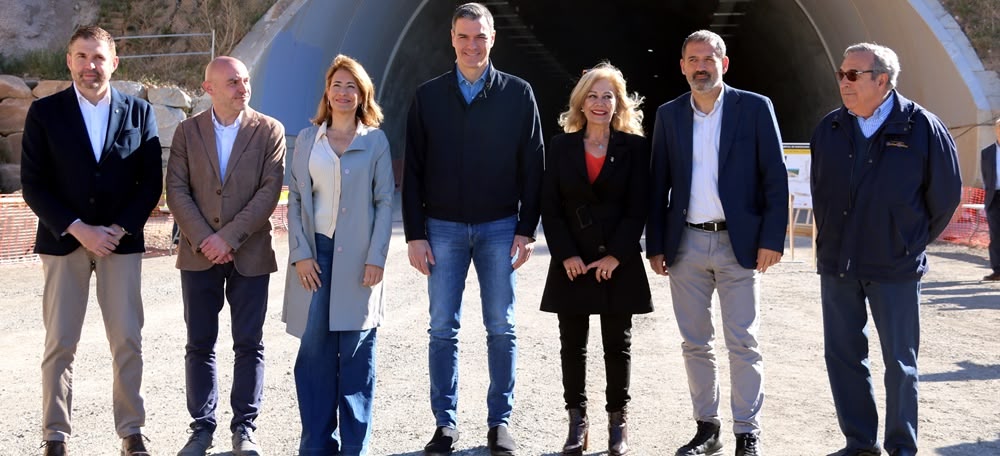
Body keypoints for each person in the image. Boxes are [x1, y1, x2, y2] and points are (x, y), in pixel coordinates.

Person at [402, 3, 545, 455]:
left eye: (479, 37)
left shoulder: (518, 94)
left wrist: (525, 228)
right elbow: (415, 171)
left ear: (493, 39)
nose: (471, 45)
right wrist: (414, 234)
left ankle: (499, 423)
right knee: (442, 328)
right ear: (452, 39)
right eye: (463, 37)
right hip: (441, 227)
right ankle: (445, 424)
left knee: (501, 327)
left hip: (501, 227)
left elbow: (534, 167)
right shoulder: (428, 96)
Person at [810, 43, 961, 456]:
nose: (844, 82)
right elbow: (820, 192)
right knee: (843, 356)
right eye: (841, 74)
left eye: (853, 75)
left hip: (895, 266)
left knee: (900, 363)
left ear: (882, 79)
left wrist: (906, 240)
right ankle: (860, 442)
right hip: (838, 264)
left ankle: (901, 447)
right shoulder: (830, 128)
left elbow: (945, 198)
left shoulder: (923, 128)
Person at [20, 25, 162, 456]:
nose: (90, 66)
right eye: (81, 57)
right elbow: (33, 185)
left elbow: (150, 181)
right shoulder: (45, 114)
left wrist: (118, 229)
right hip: (64, 241)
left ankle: (132, 432)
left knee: (127, 339)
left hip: (121, 242)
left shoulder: (139, 112)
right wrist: (79, 228)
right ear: (69, 61)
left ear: (114, 63)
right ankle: (55, 436)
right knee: (60, 341)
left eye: (99, 57)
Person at [646, 30, 788, 456]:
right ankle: (707, 428)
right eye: (693, 59)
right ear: (683, 66)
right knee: (695, 343)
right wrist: (656, 244)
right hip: (686, 244)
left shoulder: (755, 108)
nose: (701, 65)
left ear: (724, 64)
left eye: (709, 58)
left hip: (738, 244)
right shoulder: (669, 115)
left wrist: (771, 239)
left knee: (743, 342)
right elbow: (658, 184)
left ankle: (748, 432)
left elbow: (775, 178)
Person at [166, 56, 286, 456]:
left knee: (249, 343)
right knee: (199, 343)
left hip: (249, 253)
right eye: (233, 82)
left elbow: (268, 193)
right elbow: (177, 191)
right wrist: (205, 239)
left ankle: (244, 428)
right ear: (209, 89)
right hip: (198, 256)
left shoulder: (270, 131)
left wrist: (228, 238)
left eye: (246, 80)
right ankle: (201, 428)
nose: (242, 88)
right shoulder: (187, 132)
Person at [280, 54, 394, 456]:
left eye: (352, 86)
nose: (344, 93)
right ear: (327, 92)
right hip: (315, 256)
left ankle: (353, 449)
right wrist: (301, 255)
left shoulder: (375, 141)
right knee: (314, 355)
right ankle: (315, 446)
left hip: (361, 259)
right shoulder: (308, 139)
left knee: (357, 355)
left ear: (363, 95)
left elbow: (384, 202)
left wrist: (377, 257)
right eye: (337, 85)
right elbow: (294, 200)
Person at [539, 62, 651, 456]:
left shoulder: (635, 148)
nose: (600, 103)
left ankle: (618, 423)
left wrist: (616, 256)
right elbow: (549, 208)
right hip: (572, 262)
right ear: (580, 102)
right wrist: (566, 254)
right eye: (593, 95)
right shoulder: (560, 146)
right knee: (573, 345)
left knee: (617, 346)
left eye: (608, 96)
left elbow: (639, 206)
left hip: (615, 264)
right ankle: (577, 422)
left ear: (618, 103)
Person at [981, 118, 1000, 281]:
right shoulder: (987, 152)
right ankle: (997, 270)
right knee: (995, 235)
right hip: (994, 197)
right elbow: (986, 176)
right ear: (996, 131)